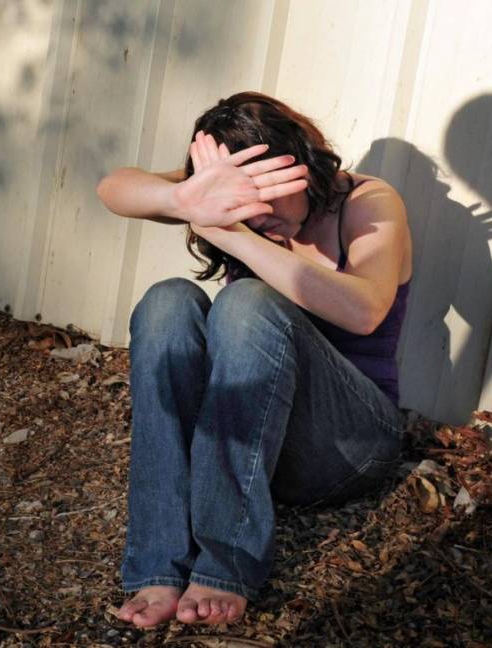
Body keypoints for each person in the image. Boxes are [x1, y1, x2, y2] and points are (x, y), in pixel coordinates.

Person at [95, 91, 413, 628]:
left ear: (301, 167)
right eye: (241, 197)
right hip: (257, 449)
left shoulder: (368, 202)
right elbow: (112, 187)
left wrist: (229, 232)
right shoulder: (221, 195)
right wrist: (186, 200)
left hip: (348, 446)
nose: (257, 212)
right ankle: (158, 565)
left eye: (267, 193)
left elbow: (364, 311)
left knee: (247, 301)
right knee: (166, 301)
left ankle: (225, 566)